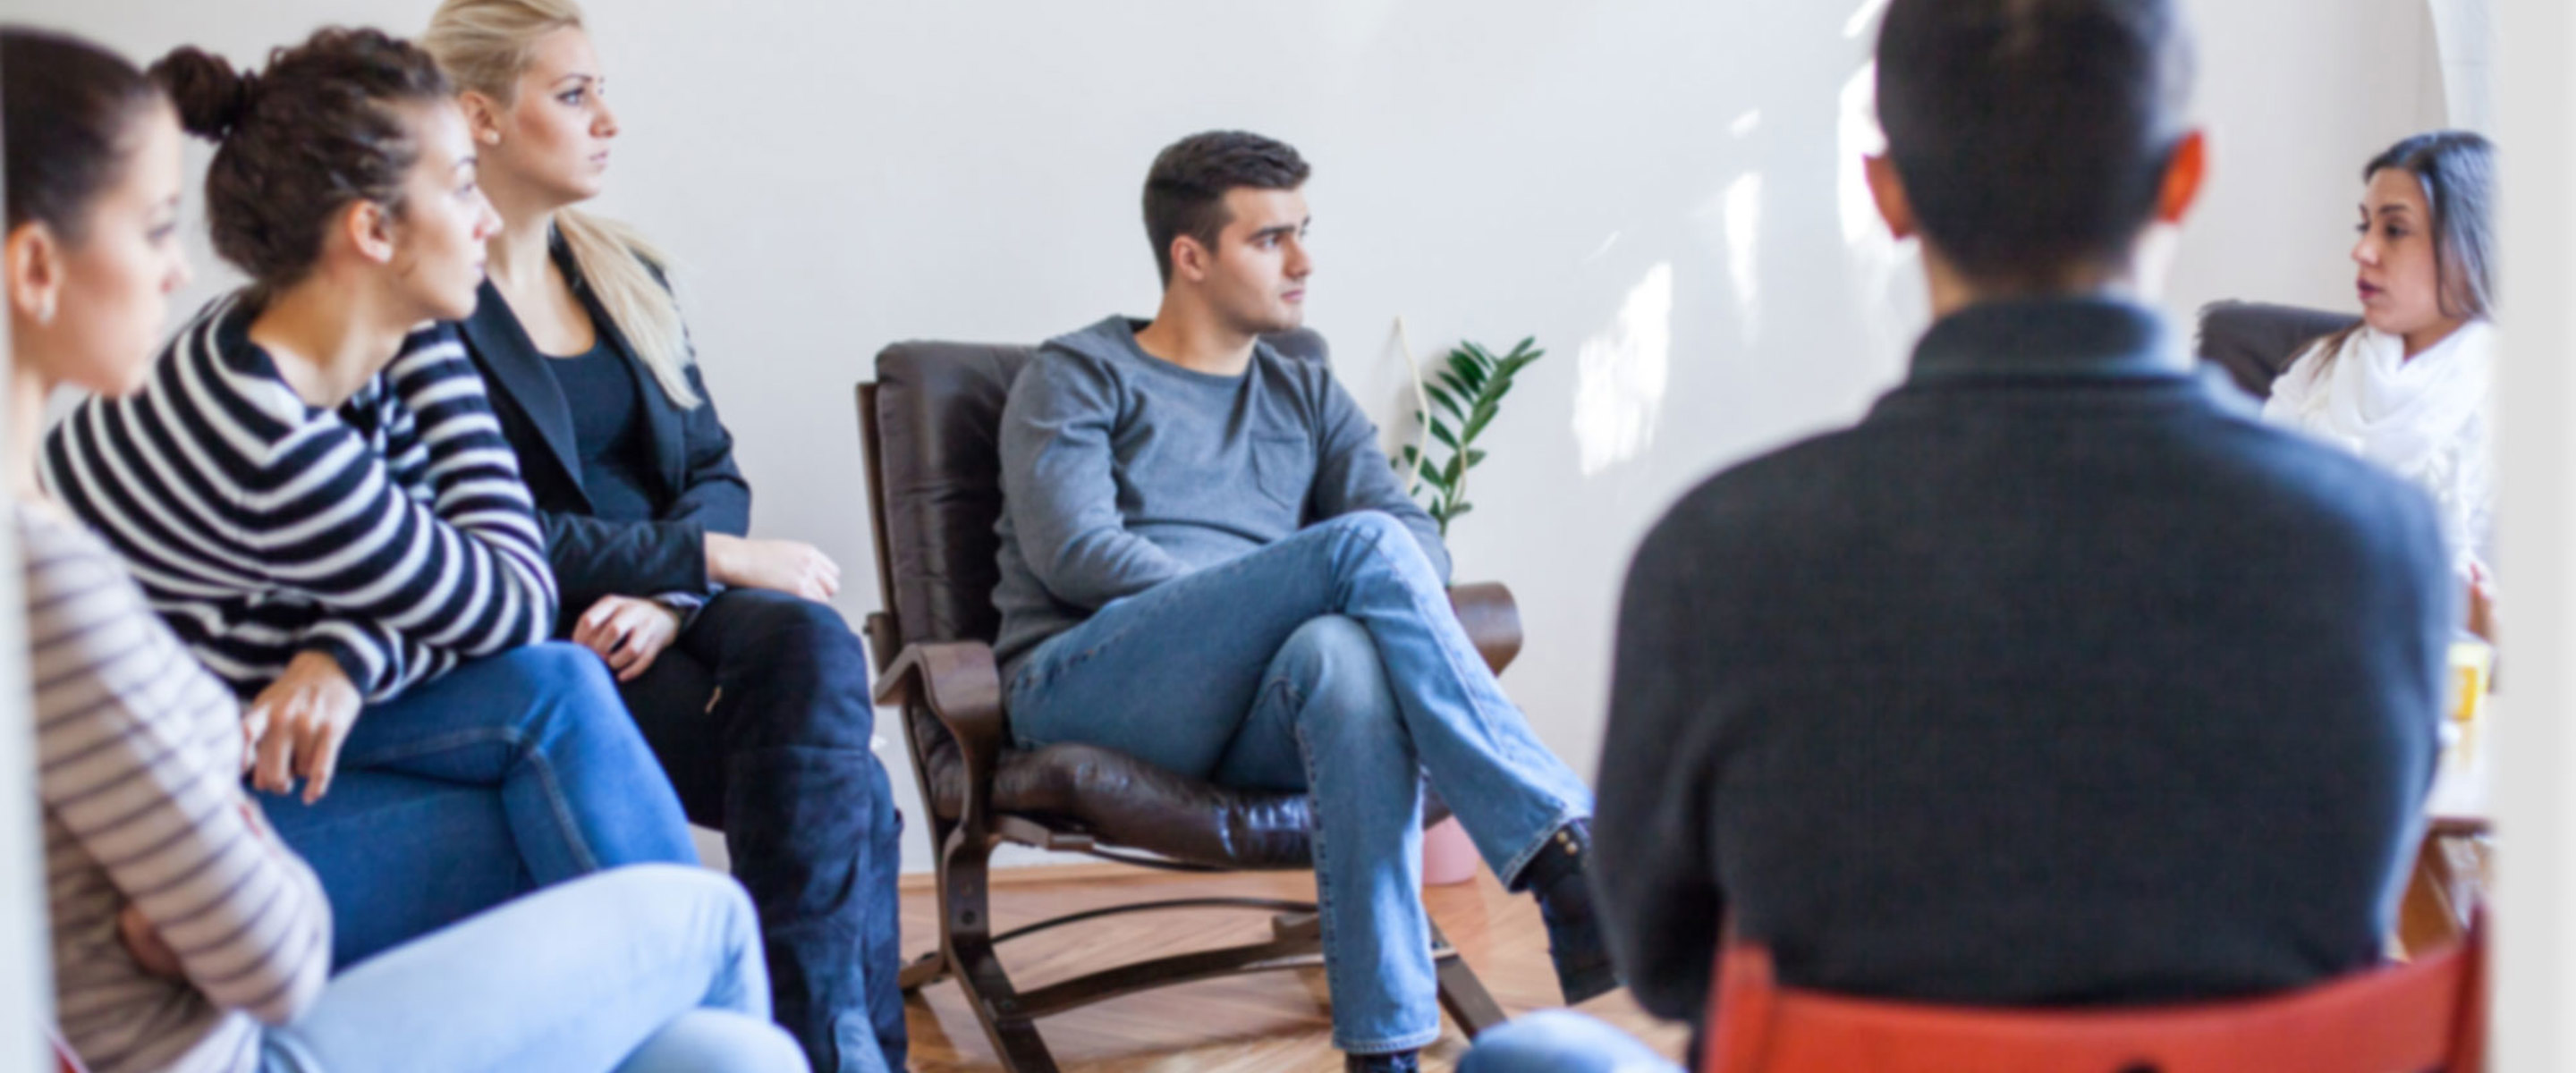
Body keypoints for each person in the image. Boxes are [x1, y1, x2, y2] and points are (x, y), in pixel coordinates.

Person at [1466, 0, 2455, 1069]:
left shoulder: (1718, 552)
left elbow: (1661, 963)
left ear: (1887, 194)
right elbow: (2354, 910)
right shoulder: (2378, 545)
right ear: (2184, 174)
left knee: (1529, 1057)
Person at [4, 26, 804, 1073]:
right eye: (463, 187)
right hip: (215, 853)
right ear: (373, 232)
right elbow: (508, 587)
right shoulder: (255, 435)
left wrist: (345, 657)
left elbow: (473, 559)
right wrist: (364, 649)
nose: (484, 222)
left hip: (257, 773)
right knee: (663, 881)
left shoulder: (379, 328)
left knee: (711, 1038)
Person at [995, 129, 1608, 1073]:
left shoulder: (1304, 391)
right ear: (1190, 257)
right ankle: (1561, 850)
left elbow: (1421, 538)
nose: (1304, 262)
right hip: (1094, 680)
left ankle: (1385, 1047)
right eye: (1270, 239)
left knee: (1343, 662)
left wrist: (1285, 604)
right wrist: (1263, 593)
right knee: (1355, 554)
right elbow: (1078, 553)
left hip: (1247, 703)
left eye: (1303, 232)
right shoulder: (1077, 372)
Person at [421, 3, 902, 1068]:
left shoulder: (626, 271)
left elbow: (712, 470)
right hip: (554, 631)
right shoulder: (426, 298)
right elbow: (476, 528)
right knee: (855, 791)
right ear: (479, 117)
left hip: (669, 610)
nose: (610, 122)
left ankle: (815, 1049)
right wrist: (704, 561)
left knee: (818, 643)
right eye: (575, 94)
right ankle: (845, 1054)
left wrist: (675, 590)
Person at [2266, 131, 2496, 636]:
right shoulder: (2316, 371)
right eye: (2364, 225)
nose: (2362, 251)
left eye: (2394, 230)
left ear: (2469, 245)